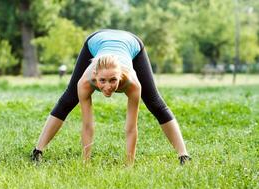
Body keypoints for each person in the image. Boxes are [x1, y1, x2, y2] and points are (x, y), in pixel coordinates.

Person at [31, 29, 191, 165]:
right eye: (102, 81)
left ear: (121, 75)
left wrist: (129, 166)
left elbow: (130, 128)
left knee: (155, 102)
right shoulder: (85, 82)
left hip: (131, 42)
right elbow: (87, 126)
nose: (107, 87)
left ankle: (184, 155)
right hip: (97, 40)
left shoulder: (132, 83)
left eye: (113, 80)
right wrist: (85, 163)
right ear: (95, 76)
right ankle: (37, 151)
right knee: (68, 98)